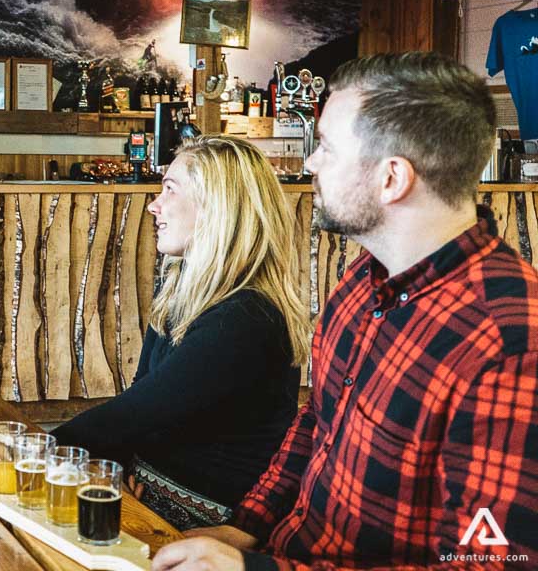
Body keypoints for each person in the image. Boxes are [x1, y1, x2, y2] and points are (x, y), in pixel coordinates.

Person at [154, 53, 538, 571]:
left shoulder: (510, 342)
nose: (309, 163)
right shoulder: (364, 277)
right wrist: (245, 525)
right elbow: (316, 422)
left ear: (391, 179)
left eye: (328, 150)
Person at [53, 135, 312, 530]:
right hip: (149, 486)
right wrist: (115, 468)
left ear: (216, 207)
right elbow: (141, 400)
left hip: (209, 521)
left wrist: (34, 449)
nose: (154, 206)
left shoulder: (246, 317)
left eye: (169, 189)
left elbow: (131, 416)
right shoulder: (181, 288)